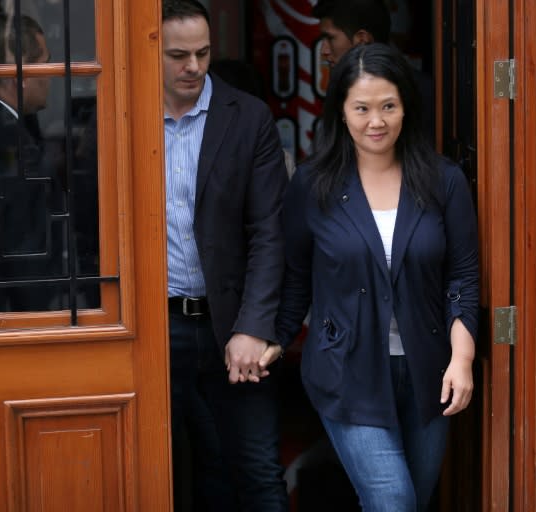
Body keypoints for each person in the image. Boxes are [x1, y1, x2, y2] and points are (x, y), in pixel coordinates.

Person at [276, 43, 479, 512]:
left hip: (432, 371)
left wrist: (462, 358)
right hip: (347, 368)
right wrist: (270, 336)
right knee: (392, 501)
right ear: (341, 113)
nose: (377, 121)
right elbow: (295, 273)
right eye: (362, 108)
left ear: (406, 106)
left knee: (413, 500)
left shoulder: (443, 181)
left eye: (389, 106)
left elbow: (463, 275)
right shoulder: (313, 184)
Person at [161, 1, 288, 510]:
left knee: (256, 468)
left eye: (203, 52)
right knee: (175, 470)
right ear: (152, 52)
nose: (193, 66)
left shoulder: (249, 117)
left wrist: (253, 326)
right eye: (178, 55)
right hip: (155, 325)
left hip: (233, 322)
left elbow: (269, 230)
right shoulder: (121, 115)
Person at [0, 13, 57, 311]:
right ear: (20, 74)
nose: (53, 73)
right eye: (46, 62)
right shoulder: (7, 138)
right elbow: (23, 251)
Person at [311, 0, 435, 140]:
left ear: (362, 40)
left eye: (330, 38)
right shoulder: (339, 87)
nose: (324, 50)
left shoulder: (420, 95)